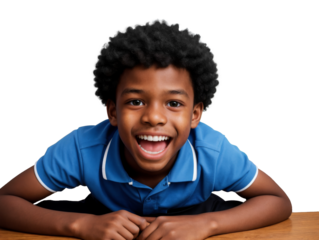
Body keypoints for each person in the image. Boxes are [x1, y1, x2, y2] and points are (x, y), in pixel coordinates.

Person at [0, 17, 292, 240]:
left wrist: (206, 224)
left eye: (174, 104)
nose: (154, 117)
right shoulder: (82, 147)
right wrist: (80, 225)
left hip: (197, 216)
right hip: (103, 219)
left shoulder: (212, 151)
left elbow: (278, 201)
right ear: (112, 111)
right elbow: (4, 201)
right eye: (136, 101)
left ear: (195, 115)